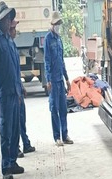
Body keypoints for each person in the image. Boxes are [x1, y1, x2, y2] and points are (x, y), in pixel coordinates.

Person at [0, 1, 24, 179]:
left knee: (15, 129)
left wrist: (21, 88)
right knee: (6, 130)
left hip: (15, 92)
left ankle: (13, 162)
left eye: (10, 17)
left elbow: (16, 67)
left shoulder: (10, 41)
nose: (10, 20)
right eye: (7, 18)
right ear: (2, 21)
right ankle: (6, 167)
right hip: (5, 92)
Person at [44, 11, 73, 147]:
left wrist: (66, 78)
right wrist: (48, 80)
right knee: (54, 109)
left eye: (59, 24)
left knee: (63, 108)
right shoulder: (48, 39)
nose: (58, 26)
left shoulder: (59, 39)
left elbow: (61, 61)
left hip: (60, 80)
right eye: (56, 24)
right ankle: (57, 137)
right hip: (53, 81)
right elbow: (47, 61)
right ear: (52, 24)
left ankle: (65, 135)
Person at [10, 19, 36, 158]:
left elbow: (16, 70)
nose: (16, 31)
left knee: (21, 118)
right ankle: (16, 148)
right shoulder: (5, 45)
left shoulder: (12, 45)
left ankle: (25, 143)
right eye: (14, 29)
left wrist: (21, 86)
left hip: (17, 88)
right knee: (13, 122)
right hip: (11, 91)